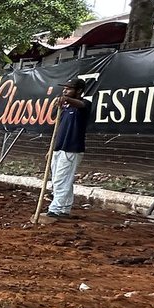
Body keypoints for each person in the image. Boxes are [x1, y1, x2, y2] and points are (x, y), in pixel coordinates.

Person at [45, 78, 93, 219]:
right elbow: (57, 128)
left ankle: (55, 209)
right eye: (64, 88)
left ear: (79, 91)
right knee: (60, 179)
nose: (65, 90)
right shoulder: (64, 108)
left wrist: (65, 99)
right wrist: (51, 148)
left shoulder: (84, 104)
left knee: (61, 179)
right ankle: (64, 208)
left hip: (71, 148)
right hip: (59, 147)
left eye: (69, 88)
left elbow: (81, 104)